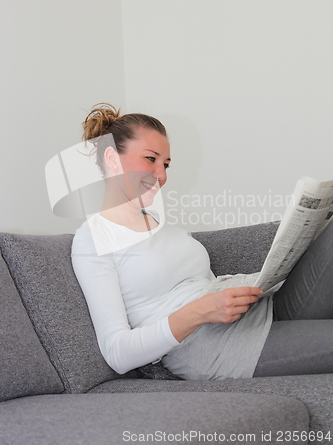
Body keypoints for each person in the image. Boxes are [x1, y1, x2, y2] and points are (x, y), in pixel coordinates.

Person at [71, 103, 333, 380]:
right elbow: (116, 352)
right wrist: (197, 312)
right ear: (112, 158)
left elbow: (204, 288)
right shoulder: (92, 238)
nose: (162, 176)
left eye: (166, 164)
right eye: (151, 159)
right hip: (215, 348)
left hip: (259, 309)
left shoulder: (167, 228)